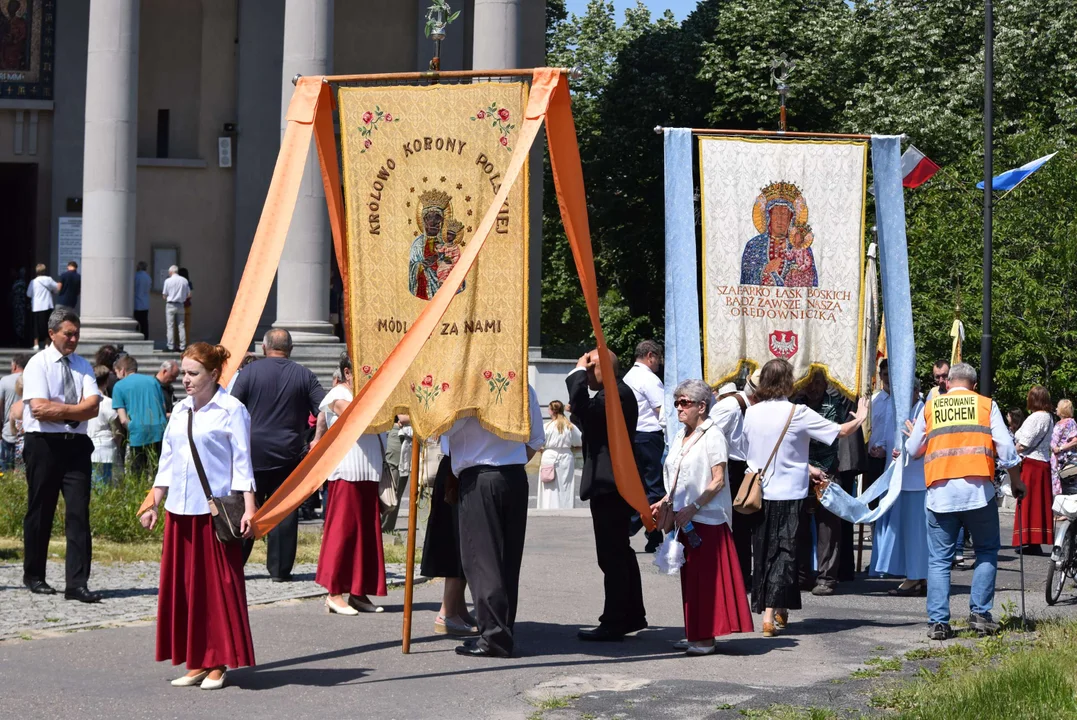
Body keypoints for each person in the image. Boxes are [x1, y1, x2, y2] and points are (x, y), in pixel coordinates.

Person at [139, 342, 257, 690]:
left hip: (214, 512)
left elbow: (242, 461)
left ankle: (218, 661)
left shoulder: (231, 409)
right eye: (184, 373)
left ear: (214, 374)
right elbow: (168, 460)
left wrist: (249, 507)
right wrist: (154, 501)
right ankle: (196, 661)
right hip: (180, 510)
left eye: (193, 374)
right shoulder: (179, 410)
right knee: (186, 588)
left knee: (216, 589)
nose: (185, 380)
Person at [741, 359, 866, 637]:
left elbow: (751, 450)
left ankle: (778, 607)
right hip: (788, 492)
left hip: (759, 492)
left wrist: (804, 466)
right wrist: (861, 416)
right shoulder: (797, 412)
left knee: (764, 550)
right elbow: (840, 432)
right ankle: (770, 614)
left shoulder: (752, 412)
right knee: (785, 552)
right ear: (789, 382)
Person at [905, 362, 1024, 639]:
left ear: (948, 383)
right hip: (977, 492)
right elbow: (1006, 448)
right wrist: (1016, 482)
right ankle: (980, 615)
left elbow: (912, 450)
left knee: (938, 560)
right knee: (985, 551)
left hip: (940, 495)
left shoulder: (932, 407)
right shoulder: (985, 406)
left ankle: (938, 623)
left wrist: (919, 438)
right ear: (973, 384)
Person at [442, 383, 543, 658]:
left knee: (482, 560)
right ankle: (502, 629)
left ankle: (494, 637)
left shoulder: (466, 385)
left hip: (480, 477)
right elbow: (535, 441)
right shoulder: (523, 384)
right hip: (513, 475)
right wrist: (508, 459)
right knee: (507, 559)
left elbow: (442, 428)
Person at [653, 379, 753, 655]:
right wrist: (664, 501)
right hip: (685, 516)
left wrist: (694, 506)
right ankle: (695, 633)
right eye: (676, 402)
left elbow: (718, 480)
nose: (678, 408)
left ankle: (706, 638)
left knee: (706, 580)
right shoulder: (679, 435)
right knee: (691, 578)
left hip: (706, 517)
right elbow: (675, 473)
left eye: (684, 402)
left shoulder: (713, 434)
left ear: (702, 406)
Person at [20, 307, 102, 602]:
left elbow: (94, 407)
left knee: (79, 514)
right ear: (52, 333)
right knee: (41, 509)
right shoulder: (37, 364)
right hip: (44, 445)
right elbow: (38, 409)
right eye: (68, 333)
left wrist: (65, 411)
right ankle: (34, 575)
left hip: (76, 446)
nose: (74, 338)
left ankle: (76, 584)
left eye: (77, 333)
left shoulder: (82, 365)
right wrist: (76, 411)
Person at [231, 328, 325, 582]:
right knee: (284, 511)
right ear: (291, 348)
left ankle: (234, 563)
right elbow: (324, 407)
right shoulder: (304, 375)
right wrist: (316, 437)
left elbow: (232, 407)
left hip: (252, 453)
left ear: (264, 347)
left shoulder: (249, 372)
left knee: (244, 509)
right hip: (289, 453)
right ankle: (280, 570)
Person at [568, 349, 647, 642]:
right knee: (619, 553)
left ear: (603, 368)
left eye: (590, 369)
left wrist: (576, 373)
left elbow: (584, 414)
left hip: (612, 484)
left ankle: (615, 620)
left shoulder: (615, 394)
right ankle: (631, 614)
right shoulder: (614, 394)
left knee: (612, 555)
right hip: (611, 483)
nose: (586, 375)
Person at [313, 353, 387, 615]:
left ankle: (358, 591)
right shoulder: (338, 394)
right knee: (341, 534)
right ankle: (334, 592)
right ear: (347, 373)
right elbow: (353, 414)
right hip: (345, 471)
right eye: (363, 371)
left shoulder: (371, 394)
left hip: (368, 471)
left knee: (365, 535)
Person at [795, 372, 854, 596]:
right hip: (800, 471)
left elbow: (834, 431)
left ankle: (827, 577)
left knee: (828, 529)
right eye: (810, 382)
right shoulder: (795, 405)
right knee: (798, 527)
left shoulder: (836, 404)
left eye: (818, 382)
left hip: (828, 471)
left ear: (826, 383)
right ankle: (802, 575)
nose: (814, 387)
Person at [871, 380, 928, 596]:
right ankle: (916, 574)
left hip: (917, 481)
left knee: (916, 533)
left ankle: (916, 576)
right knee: (907, 531)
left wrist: (905, 449)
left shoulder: (922, 409)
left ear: (914, 391)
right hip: (899, 478)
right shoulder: (900, 409)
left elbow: (921, 443)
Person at [421, 442, 479, 637]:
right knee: (456, 542)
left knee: (459, 541)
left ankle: (458, 608)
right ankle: (447, 613)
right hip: (455, 470)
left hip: (459, 466)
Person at [709, 370, 758, 586]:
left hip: (746, 468)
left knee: (743, 524)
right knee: (735, 523)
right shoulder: (728, 407)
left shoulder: (741, 407)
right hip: (732, 468)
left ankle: (742, 575)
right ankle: (739, 574)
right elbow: (710, 438)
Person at [622, 340, 665, 551]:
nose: (659, 363)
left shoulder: (628, 377)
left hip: (633, 436)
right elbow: (661, 411)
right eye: (658, 358)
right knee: (654, 488)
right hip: (650, 436)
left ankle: (635, 530)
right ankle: (649, 533)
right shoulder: (649, 379)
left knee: (638, 487)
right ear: (650, 356)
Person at [1012, 385, 1055, 555]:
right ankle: (1036, 539)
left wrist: (1009, 453)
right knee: (1040, 504)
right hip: (1043, 462)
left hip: (1031, 463)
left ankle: (1028, 538)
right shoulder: (1049, 417)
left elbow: (1024, 443)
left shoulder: (1035, 418)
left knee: (1028, 502)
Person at [112, 355, 168, 477]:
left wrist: (132, 428)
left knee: (138, 473)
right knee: (158, 472)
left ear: (122, 370)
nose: (116, 376)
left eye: (116, 372)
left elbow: (122, 419)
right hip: (159, 430)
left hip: (138, 432)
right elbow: (162, 407)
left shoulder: (119, 386)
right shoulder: (153, 381)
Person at [537, 399, 581, 509]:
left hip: (549, 455)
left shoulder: (546, 427)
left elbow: (538, 443)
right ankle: (566, 506)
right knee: (565, 485)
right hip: (566, 456)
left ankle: (547, 507)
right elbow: (580, 441)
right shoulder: (570, 426)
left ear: (551, 411)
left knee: (549, 485)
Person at [87, 364, 122, 487]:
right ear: (107, 381)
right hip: (105, 448)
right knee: (104, 484)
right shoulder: (108, 402)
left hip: (86, 447)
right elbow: (117, 428)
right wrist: (117, 443)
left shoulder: (82, 400)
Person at [381, 414, 413, 533]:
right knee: (392, 488)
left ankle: (387, 528)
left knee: (398, 487)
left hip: (410, 434)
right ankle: (383, 527)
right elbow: (403, 418)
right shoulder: (400, 395)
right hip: (398, 436)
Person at [866, 359, 894, 493]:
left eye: (891, 374)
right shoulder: (873, 401)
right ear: (881, 376)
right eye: (885, 374)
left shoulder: (903, 402)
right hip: (874, 459)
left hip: (893, 459)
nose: (888, 378)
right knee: (873, 499)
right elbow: (866, 429)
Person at [0, 353, 28, 470]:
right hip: (27, 435)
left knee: (6, 471)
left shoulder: (5, 381)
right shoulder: (33, 380)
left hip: (8, 434)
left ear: (15, 366)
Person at [27, 263, 59, 351]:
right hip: (47, 305)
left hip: (36, 306)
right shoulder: (48, 279)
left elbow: (28, 294)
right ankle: (47, 343)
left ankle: (36, 344)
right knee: (47, 325)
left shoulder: (33, 281)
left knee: (36, 326)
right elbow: (57, 288)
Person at [1050, 399, 1077, 498]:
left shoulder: (1070, 422)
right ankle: (1058, 511)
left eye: (1058, 406)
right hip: (1056, 460)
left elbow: (1075, 440)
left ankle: (1065, 512)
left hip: (1065, 460)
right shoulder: (1059, 423)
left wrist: (1060, 448)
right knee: (1057, 489)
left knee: (1066, 487)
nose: (1056, 408)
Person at [161, 265, 190, 352]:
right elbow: (189, 294)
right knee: (181, 326)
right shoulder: (184, 280)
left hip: (170, 305)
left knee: (170, 326)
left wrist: (168, 297)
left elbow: (164, 295)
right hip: (181, 304)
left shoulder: (168, 281)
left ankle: (170, 346)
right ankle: (182, 346)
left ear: (170, 272)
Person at [7, 376, 24, 466]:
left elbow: (13, 430)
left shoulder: (15, 407)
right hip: (39, 444)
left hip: (20, 445)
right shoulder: (38, 405)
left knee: (21, 474)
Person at [133, 261, 152, 339]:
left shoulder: (136, 276)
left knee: (136, 323)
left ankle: (136, 337)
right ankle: (145, 338)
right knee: (144, 323)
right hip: (145, 303)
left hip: (137, 303)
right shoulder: (148, 277)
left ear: (139, 267)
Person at [11, 267, 29, 346]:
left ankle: (20, 340)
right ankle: (18, 340)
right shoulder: (21, 283)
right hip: (18, 305)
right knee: (19, 322)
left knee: (20, 323)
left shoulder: (21, 283)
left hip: (21, 305)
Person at [178, 268, 193, 339]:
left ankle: (178, 343)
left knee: (178, 326)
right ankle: (186, 342)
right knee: (186, 326)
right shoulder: (188, 283)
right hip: (187, 306)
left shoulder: (178, 283)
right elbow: (190, 295)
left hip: (179, 306)